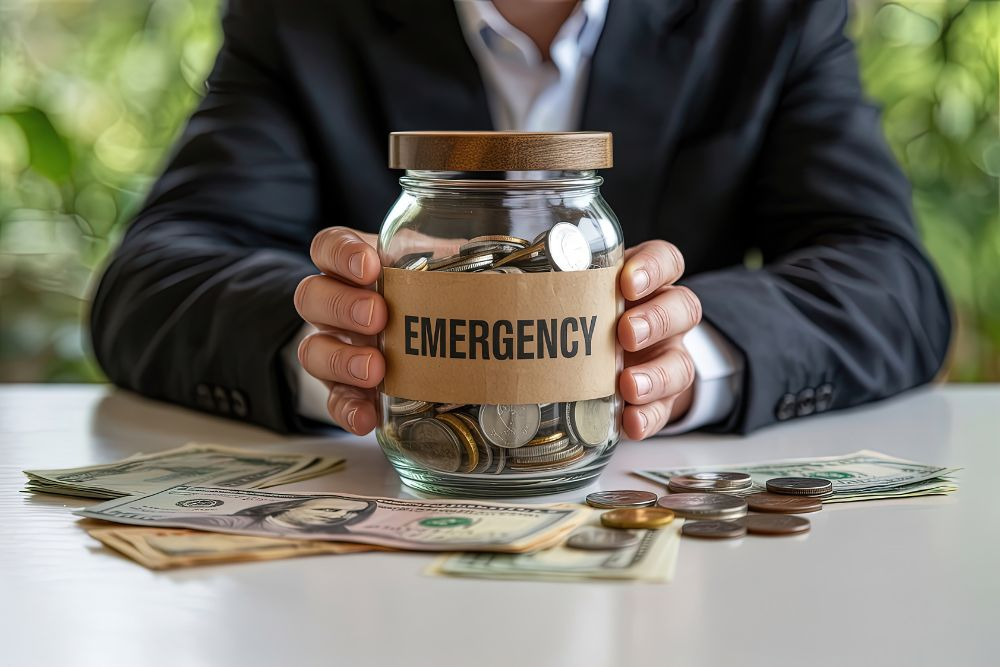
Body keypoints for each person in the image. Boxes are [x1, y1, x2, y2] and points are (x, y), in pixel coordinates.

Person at [90, 0, 952, 439]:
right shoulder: (305, 16)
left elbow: (892, 280)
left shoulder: (768, 14)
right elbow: (150, 279)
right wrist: (346, 350)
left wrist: (674, 360)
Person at [170, 497, 378, 536]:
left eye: (351, 513)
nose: (342, 516)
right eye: (329, 509)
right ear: (289, 507)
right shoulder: (227, 524)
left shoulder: (340, 538)